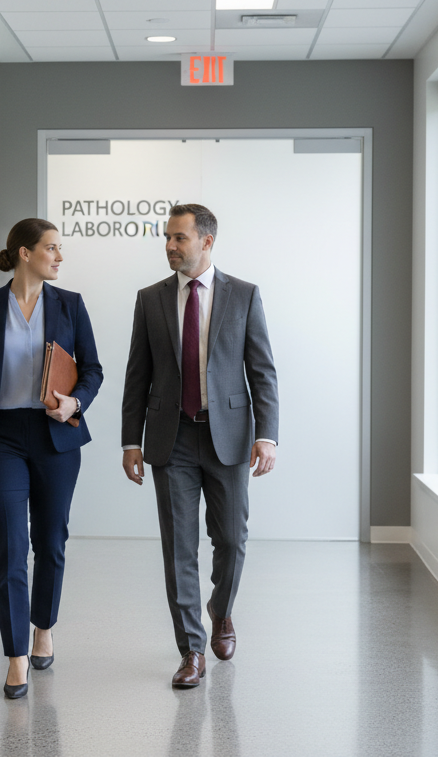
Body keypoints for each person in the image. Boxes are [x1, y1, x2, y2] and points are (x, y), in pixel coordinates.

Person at [120, 203, 279, 688]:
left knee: (231, 540)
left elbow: (262, 371)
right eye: (167, 237)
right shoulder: (150, 299)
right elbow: (137, 374)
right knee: (178, 549)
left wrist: (266, 434)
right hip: (172, 439)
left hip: (227, 438)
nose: (170, 246)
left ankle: (221, 610)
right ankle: (191, 650)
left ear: (206, 242)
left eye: (179, 238)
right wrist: (131, 440)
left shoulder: (244, 296)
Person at [0, 218, 103, 699]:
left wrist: (74, 404)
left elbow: (93, 370)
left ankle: (43, 627)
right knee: (11, 548)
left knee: (50, 542)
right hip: (1, 440)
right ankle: (16, 655)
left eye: (60, 249)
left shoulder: (70, 305)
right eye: (51, 248)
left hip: (55, 435)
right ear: (23, 253)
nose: (59, 257)